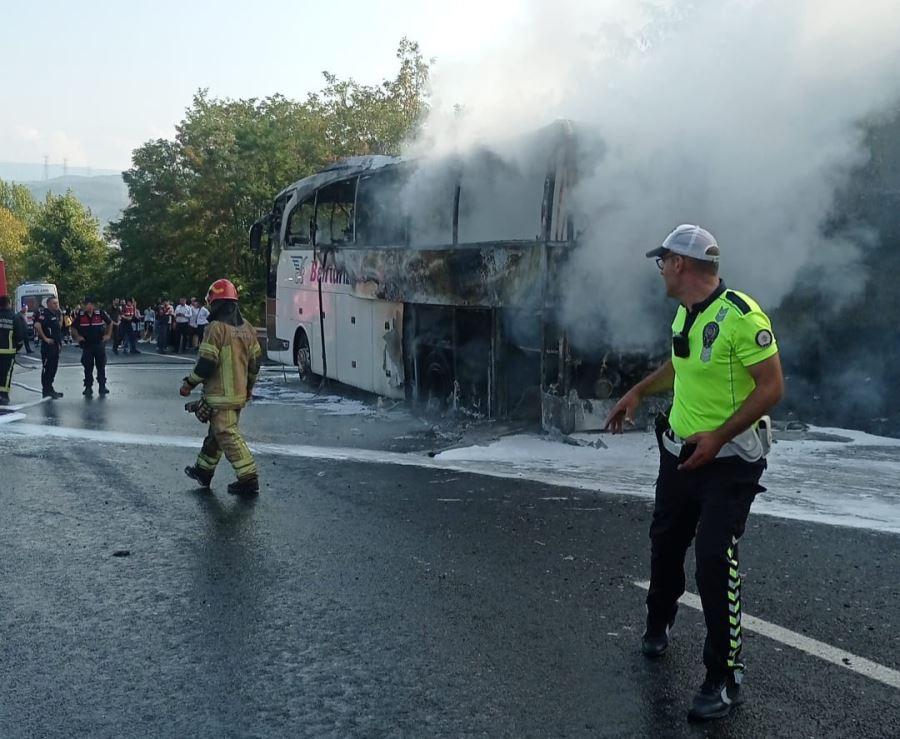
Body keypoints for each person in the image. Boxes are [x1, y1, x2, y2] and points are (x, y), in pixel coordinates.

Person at [605, 225, 784, 722]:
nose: (659, 268)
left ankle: (725, 678)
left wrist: (720, 437)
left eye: (662, 260)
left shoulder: (743, 317)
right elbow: (680, 366)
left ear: (680, 264)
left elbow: (771, 387)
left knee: (712, 556)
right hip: (681, 454)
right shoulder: (685, 312)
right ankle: (659, 622)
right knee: (665, 541)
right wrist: (639, 391)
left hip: (730, 463)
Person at [182, 278, 262, 496]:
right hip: (237, 395)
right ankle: (203, 471)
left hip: (219, 396)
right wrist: (249, 387)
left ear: (216, 304)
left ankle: (248, 479)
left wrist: (189, 383)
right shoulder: (248, 329)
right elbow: (256, 362)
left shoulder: (215, 329)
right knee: (216, 435)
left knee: (226, 435)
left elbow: (207, 362)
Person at [70, 296, 113, 396]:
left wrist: (108, 335)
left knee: (101, 366)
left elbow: (110, 323)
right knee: (88, 367)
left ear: (92, 305)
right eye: (84, 305)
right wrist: (77, 337)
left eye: (87, 304)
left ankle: (102, 386)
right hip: (87, 345)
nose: (85, 306)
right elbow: (73, 327)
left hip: (99, 343)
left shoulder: (100, 313)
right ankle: (88, 387)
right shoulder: (80, 315)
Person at [33, 296, 64, 399]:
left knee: (53, 368)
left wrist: (59, 344)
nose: (56, 305)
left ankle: (50, 388)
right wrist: (45, 338)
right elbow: (37, 325)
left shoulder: (55, 314)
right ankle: (46, 390)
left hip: (55, 345)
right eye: (54, 303)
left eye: (57, 303)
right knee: (48, 368)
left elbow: (57, 329)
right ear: (48, 304)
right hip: (48, 346)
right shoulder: (44, 314)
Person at [0, 295, 25, 405]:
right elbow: (19, 334)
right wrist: (16, 347)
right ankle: (4, 395)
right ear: (8, 303)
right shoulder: (14, 317)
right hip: (8, 350)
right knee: (7, 373)